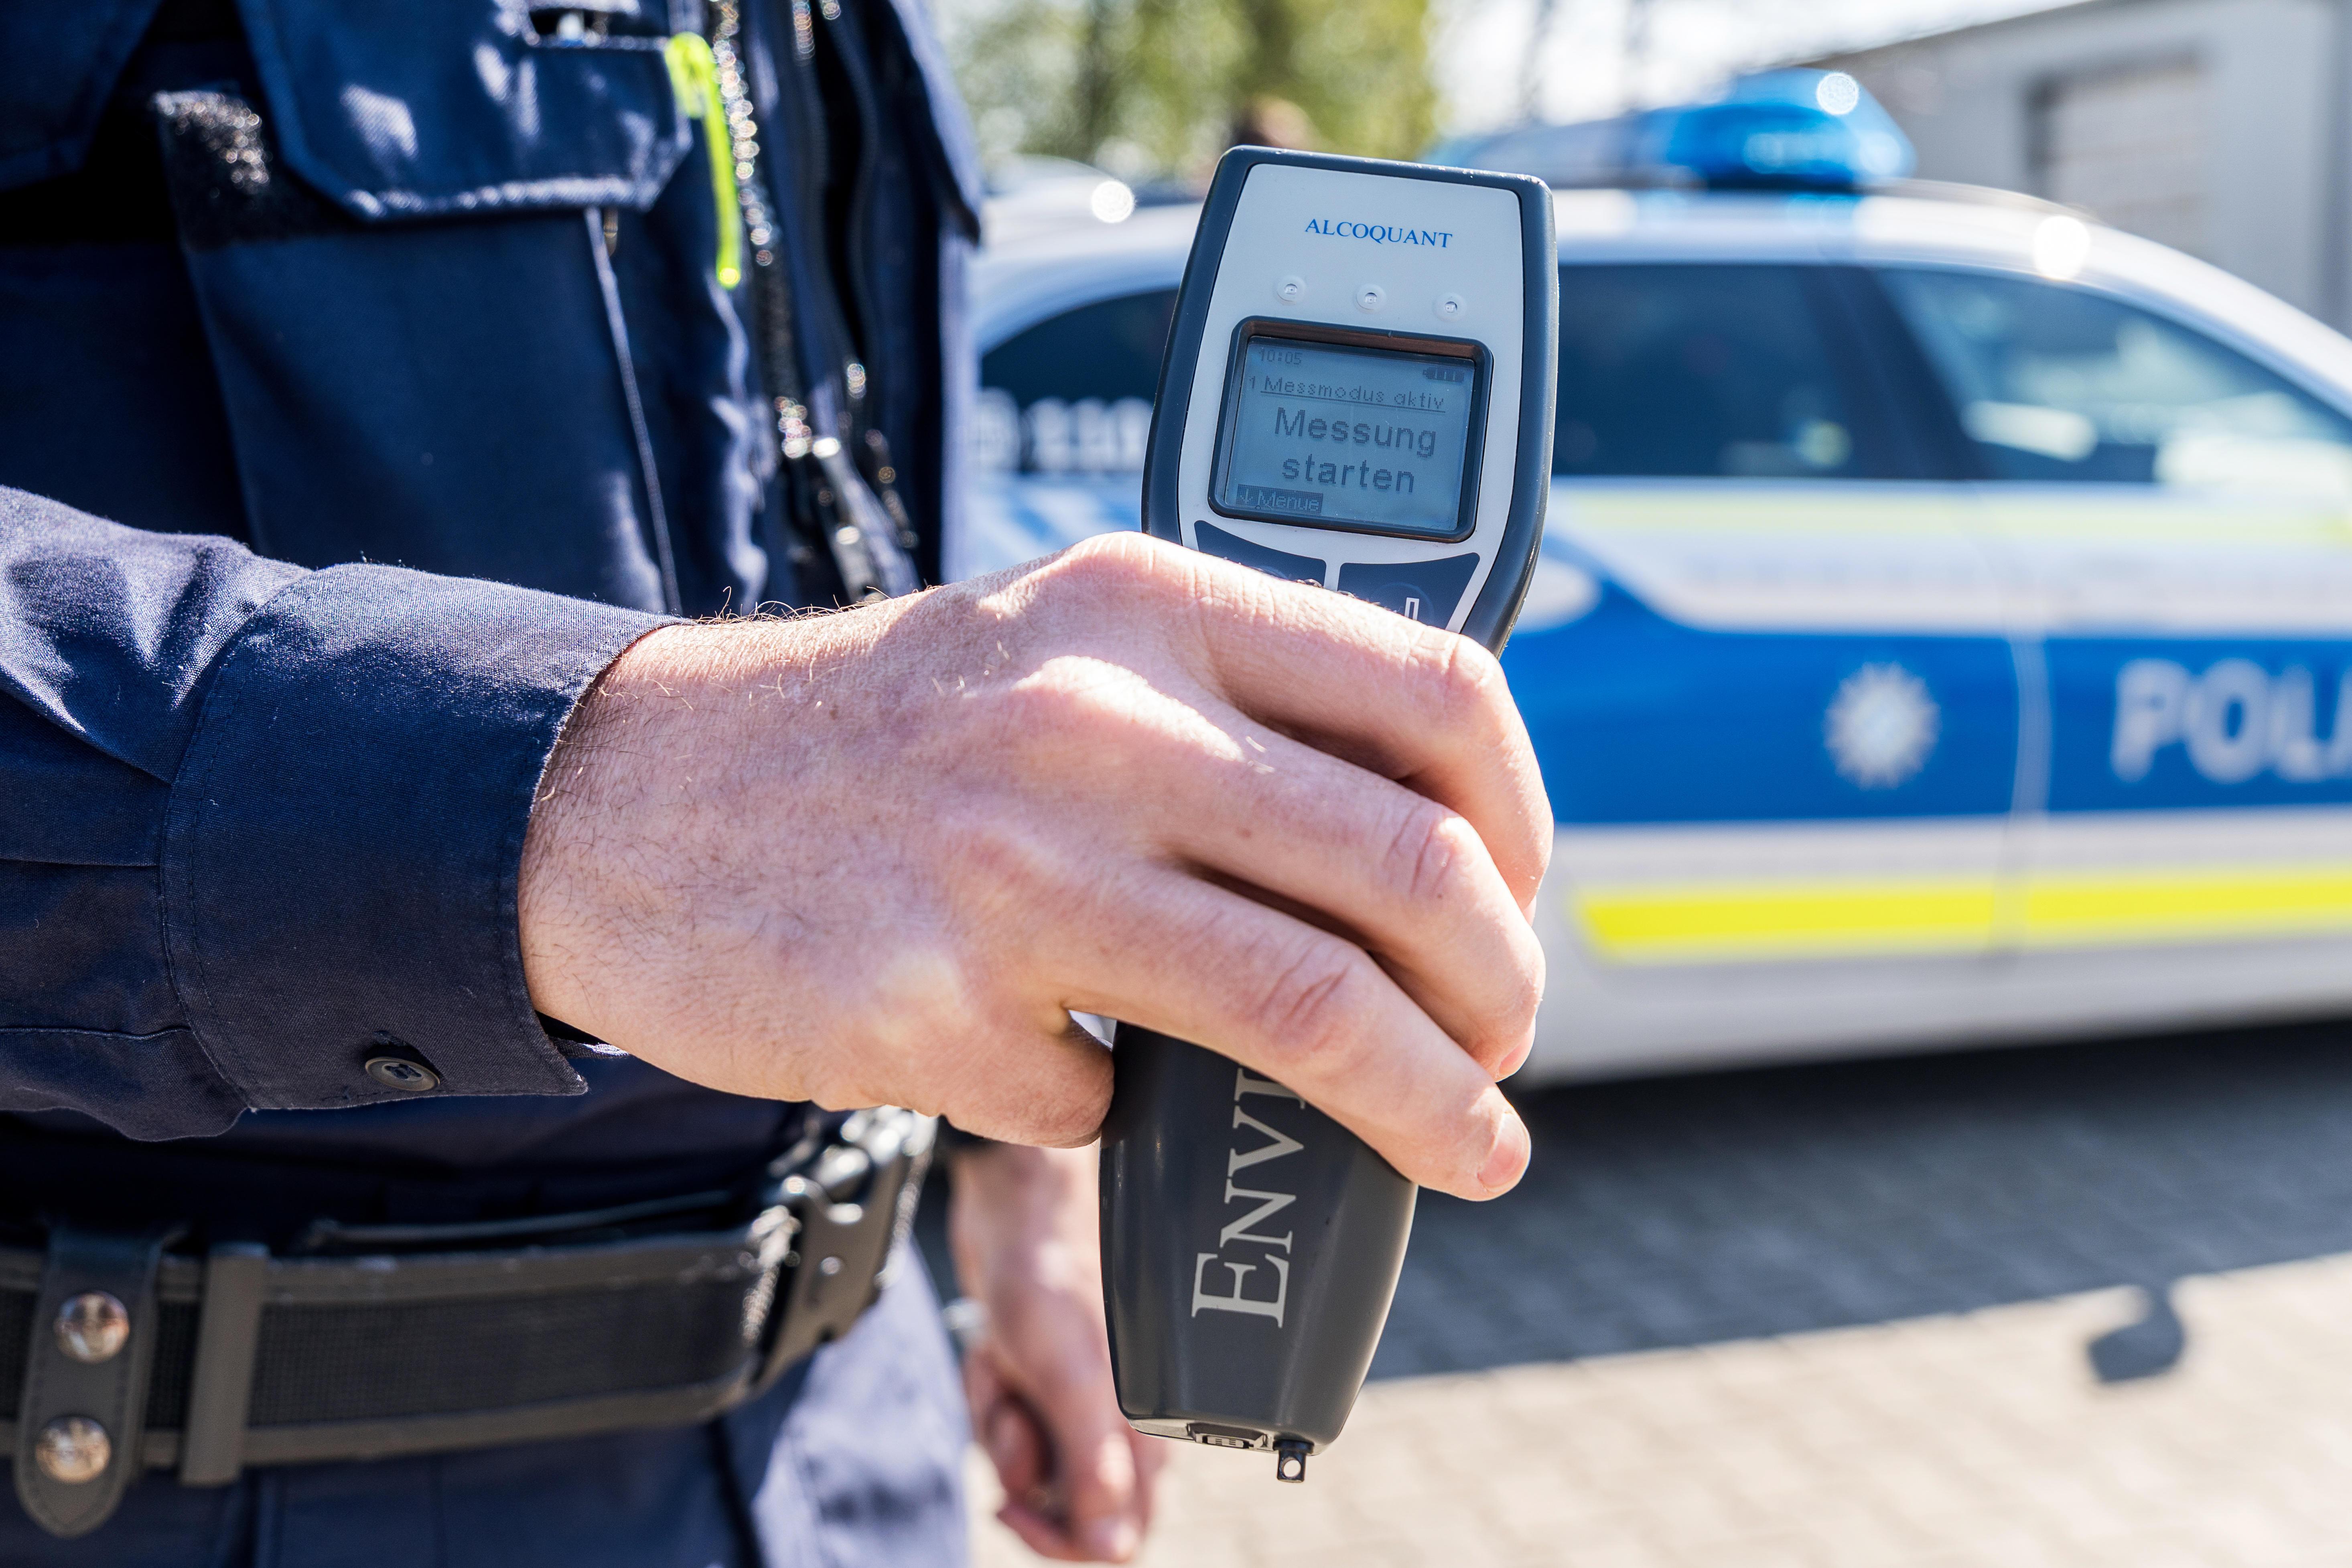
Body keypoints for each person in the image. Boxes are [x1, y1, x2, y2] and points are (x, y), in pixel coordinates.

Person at [0, 1, 1546, 1564]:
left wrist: (1022, 1201)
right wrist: (583, 803)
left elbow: (867, 550)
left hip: (843, 1445)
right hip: (162, 1471)